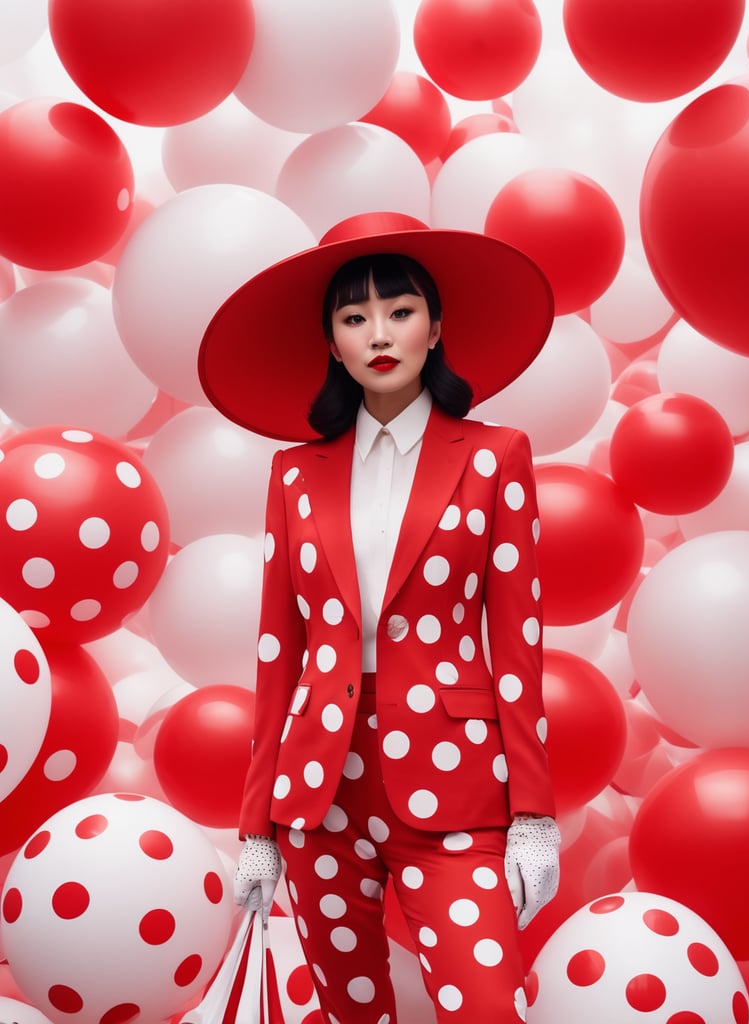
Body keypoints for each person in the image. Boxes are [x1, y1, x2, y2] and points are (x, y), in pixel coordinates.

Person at [198, 212, 561, 1024]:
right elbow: (278, 654)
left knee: (485, 1008)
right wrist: (256, 827)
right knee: (351, 1014)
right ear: (332, 344)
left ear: (436, 326)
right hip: (319, 792)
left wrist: (533, 816)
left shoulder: (496, 455)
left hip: (457, 785)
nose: (380, 334)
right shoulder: (294, 474)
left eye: (399, 311)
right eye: (354, 318)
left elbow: (518, 644)